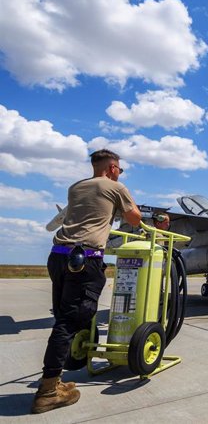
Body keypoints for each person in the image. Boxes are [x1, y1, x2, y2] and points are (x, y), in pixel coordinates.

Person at [32, 149, 141, 414]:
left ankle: (55, 381)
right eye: (120, 170)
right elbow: (134, 218)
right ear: (113, 168)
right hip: (84, 259)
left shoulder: (76, 187)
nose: (119, 174)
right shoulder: (116, 187)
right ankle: (47, 392)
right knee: (71, 322)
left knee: (62, 318)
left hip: (58, 256)